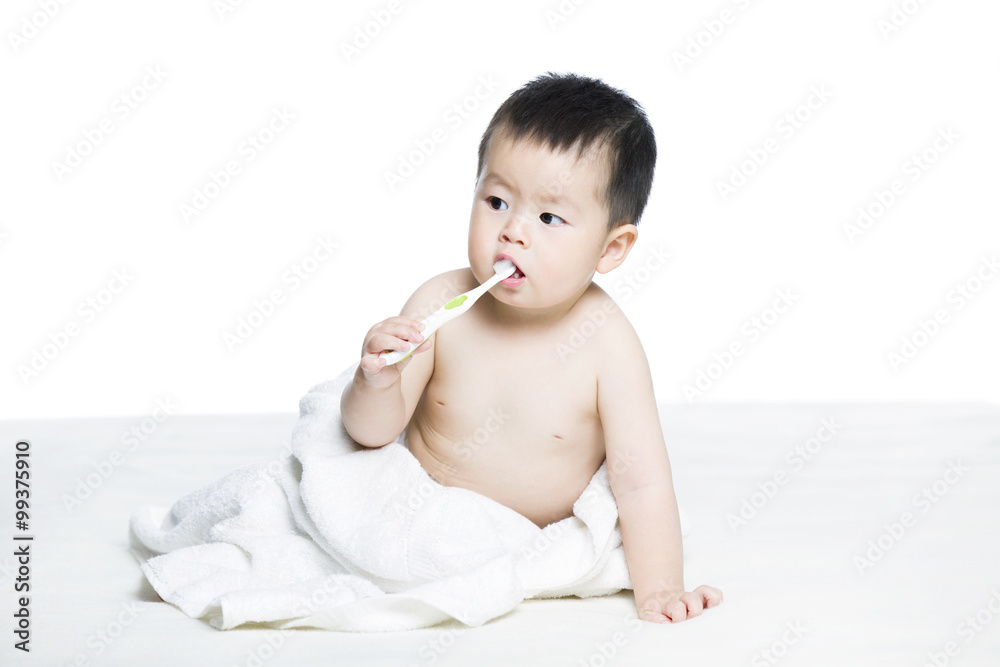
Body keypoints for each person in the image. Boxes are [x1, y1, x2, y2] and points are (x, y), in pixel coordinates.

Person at [341, 72, 722, 624]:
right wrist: (374, 380)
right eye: (496, 200)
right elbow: (370, 435)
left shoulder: (607, 343)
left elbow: (640, 482)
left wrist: (660, 589)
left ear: (611, 247)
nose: (513, 231)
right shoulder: (441, 304)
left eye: (548, 217)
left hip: (531, 545)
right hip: (421, 526)